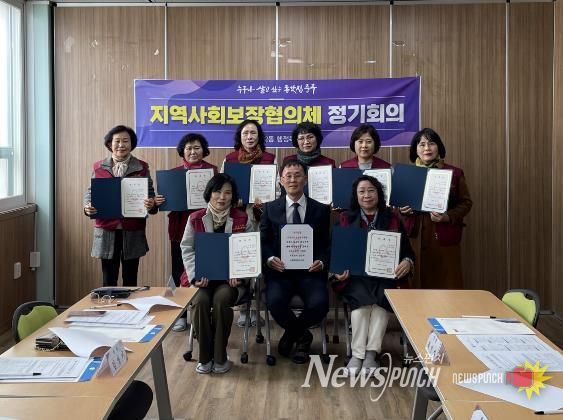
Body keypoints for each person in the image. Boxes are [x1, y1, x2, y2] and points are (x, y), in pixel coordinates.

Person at [332, 175, 414, 376]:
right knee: (361, 307)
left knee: (380, 305)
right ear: (356, 195)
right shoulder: (346, 218)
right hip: (355, 278)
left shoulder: (392, 218)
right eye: (362, 191)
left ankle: (370, 354)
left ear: (378, 194)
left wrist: (407, 262)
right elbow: (337, 251)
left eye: (371, 190)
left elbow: (408, 252)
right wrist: (337, 271)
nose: (366, 195)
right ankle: (357, 355)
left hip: (384, 277)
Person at [260, 159, 331, 364]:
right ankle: (303, 337)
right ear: (281, 180)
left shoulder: (321, 209)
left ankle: (292, 334)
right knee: (274, 302)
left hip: (311, 273)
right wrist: (270, 259)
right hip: (280, 273)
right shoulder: (270, 208)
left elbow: (327, 244)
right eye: (288, 176)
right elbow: (263, 241)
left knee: (320, 304)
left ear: (305, 179)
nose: (293, 180)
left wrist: (321, 261)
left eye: (298, 175)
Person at [180, 173, 252, 374]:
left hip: (229, 282)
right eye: (217, 191)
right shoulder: (195, 218)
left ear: (233, 196)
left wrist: (239, 274)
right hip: (202, 279)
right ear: (209, 193)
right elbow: (187, 249)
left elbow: (249, 250)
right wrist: (195, 275)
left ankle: (220, 357)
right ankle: (205, 357)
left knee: (221, 300)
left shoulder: (242, 218)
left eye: (227, 193)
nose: (222, 197)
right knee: (200, 301)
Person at [154, 133, 217, 331]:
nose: (193, 151)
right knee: (177, 271)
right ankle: (180, 314)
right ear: (183, 151)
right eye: (189, 148)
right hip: (180, 228)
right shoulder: (173, 174)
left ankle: (203, 311)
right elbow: (160, 204)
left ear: (204, 150)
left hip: (206, 228)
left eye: (197, 147)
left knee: (206, 270)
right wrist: (159, 201)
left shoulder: (214, 172)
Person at [83, 125, 157, 287]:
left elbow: (150, 194)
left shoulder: (142, 167)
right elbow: (90, 192)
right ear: (110, 144)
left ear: (132, 144)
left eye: (125, 141)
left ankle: (130, 305)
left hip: (132, 229)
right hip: (107, 229)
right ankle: (111, 304)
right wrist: (87, 206)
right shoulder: (98, 167)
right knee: (108, 279)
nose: (121, 145)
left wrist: (151, 203)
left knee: (130, 279)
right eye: (117, 141)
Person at [399, 128, 472, 289]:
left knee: (446, 283)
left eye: (431, 143)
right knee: (416, 284)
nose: (427, 148)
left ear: (439, 147)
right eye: (422, 144)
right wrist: (402, 210)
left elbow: (466, 203)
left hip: (443, 235)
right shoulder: (407, 174)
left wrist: (447, 216)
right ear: (415, 149)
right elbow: (397, 205)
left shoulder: (454, 173)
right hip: (415, 237)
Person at [223, 119, 274, 327]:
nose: (250, 137)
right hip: (239, 217)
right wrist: (234, 199)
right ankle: (244, 309)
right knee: (242, 258)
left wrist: (267, 201)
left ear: (259, 136)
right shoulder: (230, 159)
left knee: (260, 261)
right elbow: (223, 187)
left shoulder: (270, 159)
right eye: (246, 133)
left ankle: (257, 309)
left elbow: (276, 187)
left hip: (263, 216)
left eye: (253, 133)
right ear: (240, 137)